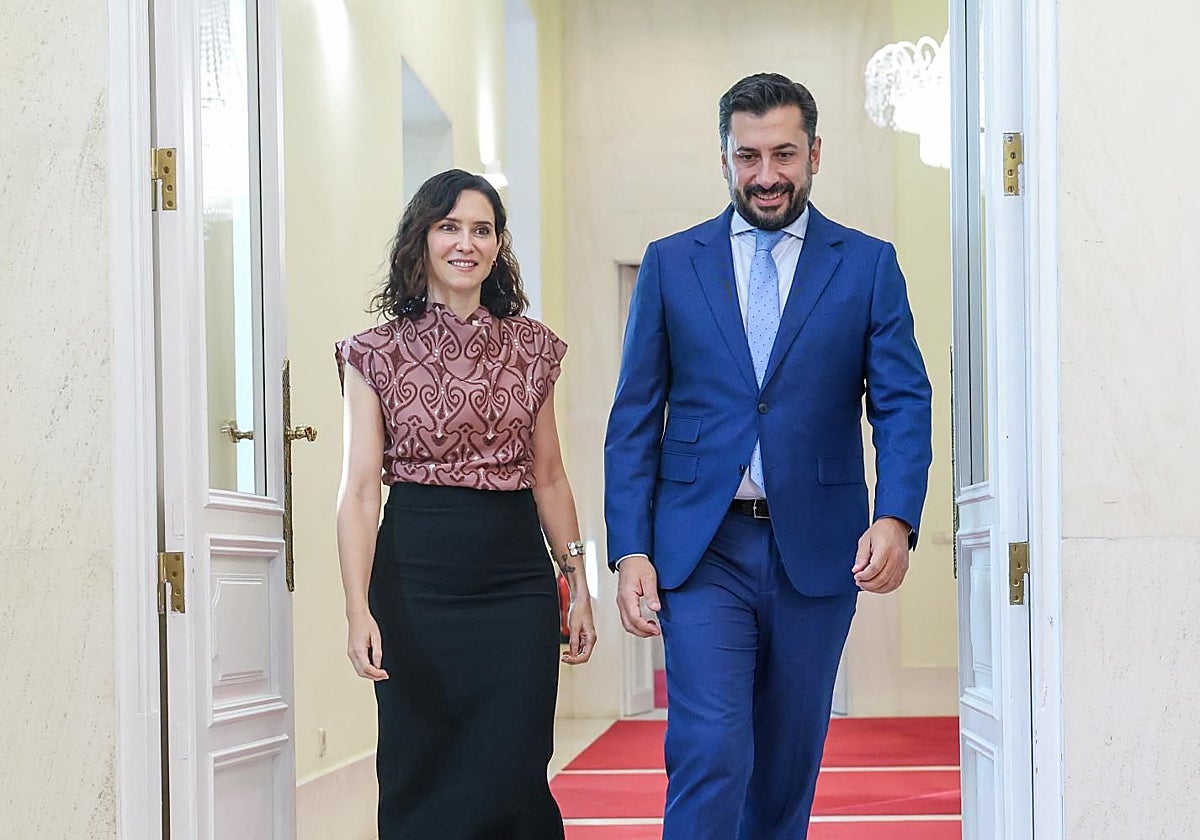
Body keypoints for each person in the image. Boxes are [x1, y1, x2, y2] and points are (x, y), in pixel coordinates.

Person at [604, 73, 933, 838]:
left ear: (814, 152)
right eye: (747, 156)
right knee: (711, 746)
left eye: (783, 154)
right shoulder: (669, 263)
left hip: (816, 548)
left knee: (787, 760)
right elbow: (633, 417)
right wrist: (630, 548)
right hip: (701, 545)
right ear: (723, 158)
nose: (766, 175)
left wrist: (896, 514)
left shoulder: (867, 265)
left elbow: (902, 402)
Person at [335, 168, 596, 839]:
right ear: (421, 238)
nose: (464, 242)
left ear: (498, 244)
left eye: (481, 229)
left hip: (514, 579)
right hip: (415, 575)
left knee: (513, 763)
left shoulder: (532, 348)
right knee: (419, 761)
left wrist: (579, 581)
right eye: (449, 226)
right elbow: (362, 490)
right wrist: (356, 606)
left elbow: (550, 476)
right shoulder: (375, 353)